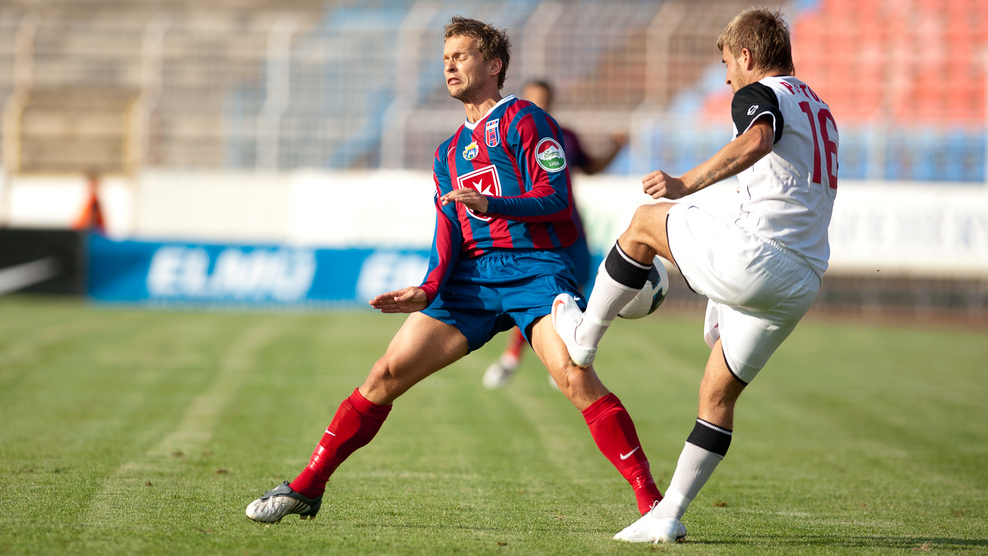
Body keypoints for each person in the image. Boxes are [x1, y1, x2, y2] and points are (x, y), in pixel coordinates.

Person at [245, 15, 663, 524]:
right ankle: (307, 487)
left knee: (576, 379)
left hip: (535, 272)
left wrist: (492, 204)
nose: (449, 65)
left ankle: (653, 504)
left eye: (460, 56)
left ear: (494, 65)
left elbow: (555, 199)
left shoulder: (527, 120)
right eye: (445, 58)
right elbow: (448, 231)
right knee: (384, 374)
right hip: (472, 281)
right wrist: (428, 289)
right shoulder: (447, 152)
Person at [552, 7, 838, 543]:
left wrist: (684, 184)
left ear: (747, 56)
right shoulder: (817, 106)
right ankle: (668, 516)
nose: (726, 77)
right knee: (717, 396)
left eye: (727, 63)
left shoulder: (760, 93)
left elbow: (756, 141)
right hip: (801, 281)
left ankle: (584, 338)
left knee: (644, 223)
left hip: (760, 259)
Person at [482, 79, 627, 390]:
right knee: (534, 297)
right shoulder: (508, 136)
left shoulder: (564, 135)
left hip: (570, 226)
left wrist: (615, 148)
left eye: (544, 100)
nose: (540, 105)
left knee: (577, 293)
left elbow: (591, 167)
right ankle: (511, 358)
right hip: (532, 230)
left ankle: (566, 357)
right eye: (533, 99)